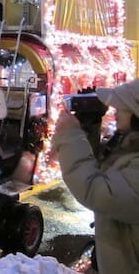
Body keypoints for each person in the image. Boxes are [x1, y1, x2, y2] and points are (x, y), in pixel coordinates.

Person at [52, 79, 139, 273]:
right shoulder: (130, 145)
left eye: (122, 107)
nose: (115, 111)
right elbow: (101, 168)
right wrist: (89, 125)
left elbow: (96, 190)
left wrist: (70, 136)